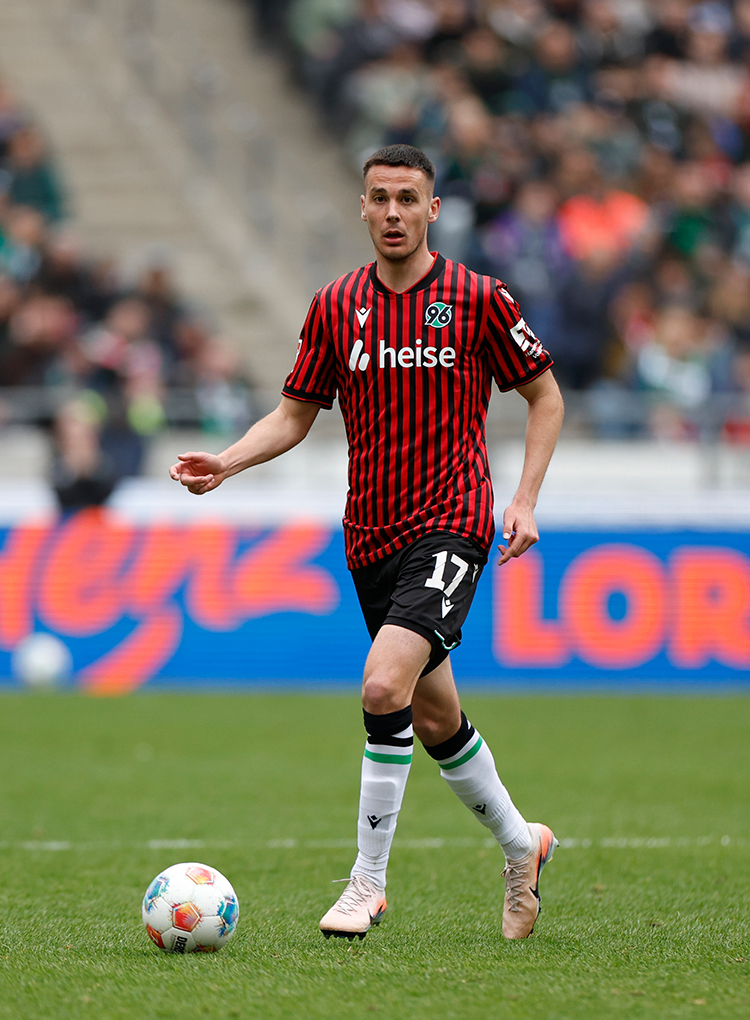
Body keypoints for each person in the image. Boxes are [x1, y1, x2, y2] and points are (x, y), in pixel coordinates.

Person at [170, 144, 565, 941]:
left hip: (454, 520)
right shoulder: (334, 306)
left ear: (433, 210)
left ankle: (366, 884)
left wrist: (521, 500)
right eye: (379, 198)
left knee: (384, 685)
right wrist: (228, 462)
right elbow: (293, 414)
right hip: (370, 534)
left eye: (407, 199)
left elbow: (545, 396)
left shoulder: (478, 299)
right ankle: (523, 846)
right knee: (432, 715)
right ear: (362, 207)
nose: (392, 213)